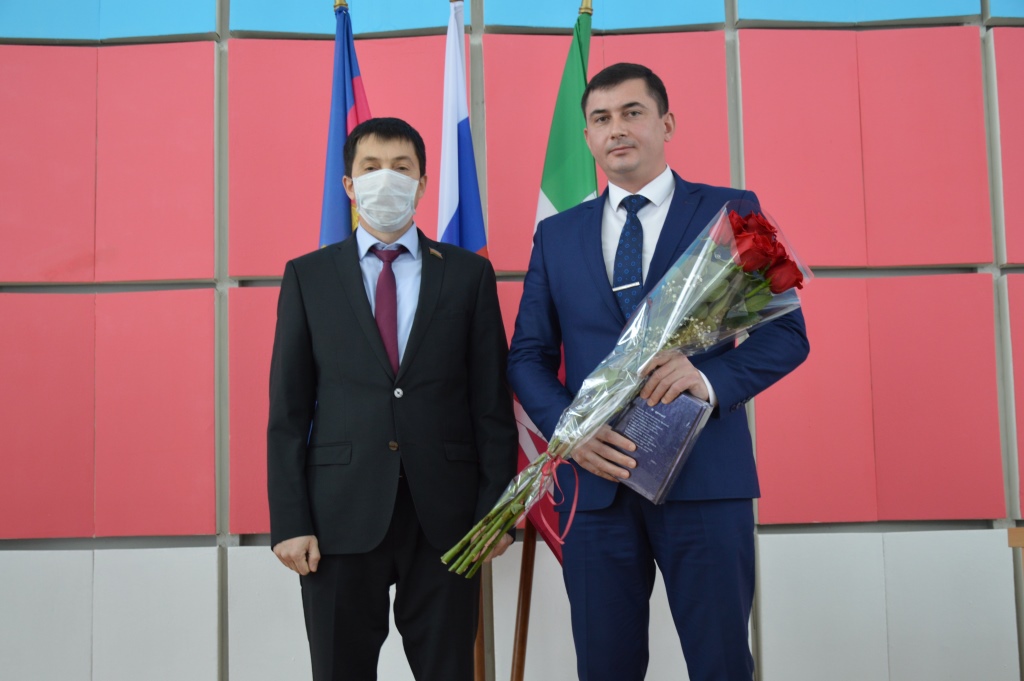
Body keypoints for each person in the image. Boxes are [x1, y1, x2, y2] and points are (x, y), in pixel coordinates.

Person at [507, 63, 810, 680]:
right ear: (588, 138)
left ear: (666, 124)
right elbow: (527, 356)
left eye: (632, 112)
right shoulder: (556, 236)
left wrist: (708, 381)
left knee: (721, 663)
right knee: (604, 667)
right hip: (597, 486)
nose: (616, 129)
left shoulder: (729, 212)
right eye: (601, 119)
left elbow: (787, 335)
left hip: (706, 479)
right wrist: (570, 431)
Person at [267, 117, 518, 681]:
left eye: (401, 168)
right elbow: (288, 411)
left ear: (422, 183)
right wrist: (289, 519)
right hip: (338, 518)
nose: (387, 178)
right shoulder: (308, 276)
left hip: (448, 519)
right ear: (348, 184)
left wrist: (497, 514)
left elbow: (491, 407)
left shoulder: (469, 276)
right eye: (371, 167)